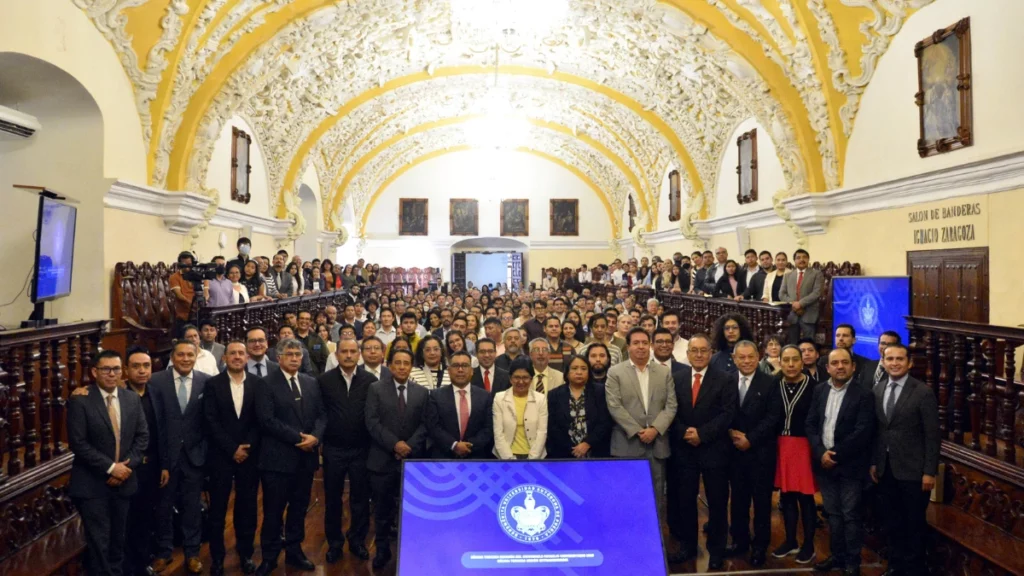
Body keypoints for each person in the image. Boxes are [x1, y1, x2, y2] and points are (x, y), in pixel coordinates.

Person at [68, 350, 149, 576]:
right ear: (95, 372)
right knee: (99, 545)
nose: (112, 374)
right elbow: (78, 443)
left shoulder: (131, 399)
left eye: (116, 369)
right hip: (92, 486)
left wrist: (126, 467)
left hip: (124, 482)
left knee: (118, 540)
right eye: (106, 369)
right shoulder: (80, 400)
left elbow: (143, 437)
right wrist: (111, 468)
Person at [254, 339, 326, 576]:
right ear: (279, 357)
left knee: (299, 509)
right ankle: (270, 557)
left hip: (305, 460)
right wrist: (299, 439)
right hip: (278, 460)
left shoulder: (311, 383)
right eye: (290, 354)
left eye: (298, 354)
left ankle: (295, 551)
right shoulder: (266, 384)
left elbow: (322, 415)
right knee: (273, 512)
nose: (295, 358)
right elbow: (267, 420)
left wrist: (315, 437)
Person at [667, 333, 736, 568]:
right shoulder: (676, 378)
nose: (698, 354)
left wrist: (702, 435)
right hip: (684, 450)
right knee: (685, 501)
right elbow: (670, 411)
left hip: (714, 450)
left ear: (710, 352)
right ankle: (688, 546)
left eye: (703, 350)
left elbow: (728, 413)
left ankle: (716, 551)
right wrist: (685, 432)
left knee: (717, 503)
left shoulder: (725, 379)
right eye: (694, 350)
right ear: (687, 354)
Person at [806, 348, 876, 575]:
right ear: (827, 368)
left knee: (850, 515)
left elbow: (862, 431)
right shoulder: (819, 391)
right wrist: (820, 453)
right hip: (823, 464)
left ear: (853, 366)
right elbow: (811, 424)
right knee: (832, 514)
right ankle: (836, 557)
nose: (840, 367)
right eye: (835, 363)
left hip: (849, 466)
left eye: (845, 362)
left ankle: (852, 562)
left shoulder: (864, 394)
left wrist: (833, 455)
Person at [871, 343, 938, 576]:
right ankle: (895, 565)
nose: (895, 363)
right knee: (891, 521)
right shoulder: (878, 389)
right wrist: (874, 462)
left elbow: (932, 435)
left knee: (914, 523)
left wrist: (930, 471)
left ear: (909, 363)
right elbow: (878, 431)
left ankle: (914, 568)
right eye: (890, 359)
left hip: (914, 471)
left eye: (900, 359)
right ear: (884, 361)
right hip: (885, 468)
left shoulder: (923, 392)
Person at [149, 339, 210, 574]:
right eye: (181, 355)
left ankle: (192, 553)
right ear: (172, 358)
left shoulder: (206, 381)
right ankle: (163, 552)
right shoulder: (156, 381)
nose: (186, 359)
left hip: (195, 456)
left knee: (192, 507)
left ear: (196, 357)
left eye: (190, 355)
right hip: (166, 458)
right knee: (163, 507)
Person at [365, 349, 430, 569]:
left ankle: (412, 552)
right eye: (397, 363)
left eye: (406, 363)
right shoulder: (375, 389)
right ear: (390, 366)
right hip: (382, 459)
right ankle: (382, 551)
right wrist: (395, 444)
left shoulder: (422, 392)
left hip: (412, 462)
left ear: (412, 366)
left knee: (411, 510)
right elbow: (372, 422)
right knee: (382, 511)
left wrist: (409, 445)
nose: (402, 367)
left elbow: (425, 425)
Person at [203, 340, 261, 576]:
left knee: (247, 509)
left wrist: (245, 447)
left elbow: (261, 419)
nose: (238, 357)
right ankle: (217, 557)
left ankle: (246, 554)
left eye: (241, 353)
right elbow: (210, 420)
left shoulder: (258, 384)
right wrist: (231, 448)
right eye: (233, 353)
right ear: (224, 358)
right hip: (221, 456)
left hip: (249, 456)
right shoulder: (213, 384)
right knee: (217, 511)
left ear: (247, 358)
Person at [606, 329, 677, 520]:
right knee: (625, 495)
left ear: (650, 346)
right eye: (636, 343)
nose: (641, 347)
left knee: (656, 495)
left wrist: (654, 429)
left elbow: (671, 405)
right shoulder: (615, 372)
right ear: (628, 346)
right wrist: (638, 431)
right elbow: (614, 406)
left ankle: (654, 540)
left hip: (657, 444)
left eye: (645, 343)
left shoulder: (663, 372)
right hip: (627, 443)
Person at [725, 341, 781, 567]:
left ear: (758, 357)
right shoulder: (727, 381)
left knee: (761, 504)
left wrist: (750, 439)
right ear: (734, 358)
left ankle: (760, 546)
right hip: (733, 453)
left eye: (751, 357)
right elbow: (722, 411)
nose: (746, 361)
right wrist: (729, 432)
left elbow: (773, 418)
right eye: (742, 357)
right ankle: (739, 541)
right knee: (737, 500)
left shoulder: (770, 383)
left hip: (761, 453)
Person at [319, 339, 375, 564]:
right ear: (337, 354)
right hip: (333, 449)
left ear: (359, 354)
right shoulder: (324, 381)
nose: (349, 355)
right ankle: (334, 543)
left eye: (353, 351)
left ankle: (357, 540)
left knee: (360, 499)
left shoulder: (370, 380)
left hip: (362, 448)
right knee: (332, 499)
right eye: (345, 351)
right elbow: (320, 412)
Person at [772, 345, 818, 564]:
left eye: (795, 360)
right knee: (786, 496)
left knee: (805, 497)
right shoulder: (774, 385)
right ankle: (791, 540)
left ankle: (809, 544)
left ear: (802, 362)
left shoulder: (816, 387)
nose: (790, 365)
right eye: (786, 360)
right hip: (780, 445)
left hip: (804, 447)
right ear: (779, 362)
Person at [121, 348, 161, 576]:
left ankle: (142, 563)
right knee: (126, 519)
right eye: (136, 366)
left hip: (152, 466)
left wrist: (163, 465)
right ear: (126, 370)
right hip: (127, 467)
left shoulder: (155, 393)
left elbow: (161, 431)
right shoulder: (119, 394)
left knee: (146, 517)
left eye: (146, 366)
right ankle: (126, 567)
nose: (142, 370)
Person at [426, 350, 494, 458]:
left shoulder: (485, 396)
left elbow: (488, 428)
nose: (460, 370)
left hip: (476, 458)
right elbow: (433, 427)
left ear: (472, 371)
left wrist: (469, 446)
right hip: (444, 458)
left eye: (465, 365)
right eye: (456, 365)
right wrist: (454, 445)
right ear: (449, 371)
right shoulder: (436, 396)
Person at [546, 355, 611, 458]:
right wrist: (573, 449)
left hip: (595, 451)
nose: (579, 372)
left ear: (589, 372)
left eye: (583, 368)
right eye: (574, 368)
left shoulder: (600, 392)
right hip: (563, 453)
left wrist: (587, 444)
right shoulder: (554, 395)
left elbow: (604, 422)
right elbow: (552, 427)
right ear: (567, 372)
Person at [492, 357, 549, 460]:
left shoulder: (541, 399)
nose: (521, 381)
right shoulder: (499, 398)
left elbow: (542, 432)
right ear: (510, 378)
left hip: (535, 456)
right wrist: (510, 459)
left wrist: (532, 459)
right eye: (517, 377)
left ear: (531, 379)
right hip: (505, 456)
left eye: (525, 377)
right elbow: (498, 433)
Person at [779, 249, 823, 342]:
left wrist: (801, 304)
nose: (801, 260)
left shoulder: (816, 274)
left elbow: (817, 292)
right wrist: (794, 304)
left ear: (808, 259)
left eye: (804, 257)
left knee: (809, 343)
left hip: (809, 314)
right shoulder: (787, 275)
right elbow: (782, 294)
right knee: (793, 344)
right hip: (792, 314)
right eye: (798, 258)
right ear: (794, 261)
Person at [168, 251, 197, 336]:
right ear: (180, 264)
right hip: (184, 315)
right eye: (184, 263)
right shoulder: (174, 277)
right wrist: (192, 305)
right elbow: (179, 295)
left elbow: (206, 291)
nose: (187, 266)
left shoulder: (196, 275)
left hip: (198, 312)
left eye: (189, 263)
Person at [294, 310, 329, 375]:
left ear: (310, 322)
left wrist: (322, 374)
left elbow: (326, 358)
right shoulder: (292, 339)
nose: (304, 321)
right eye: (302, 318)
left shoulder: (317, 338)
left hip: (316, 376)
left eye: (307, 319)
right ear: (297, 321)